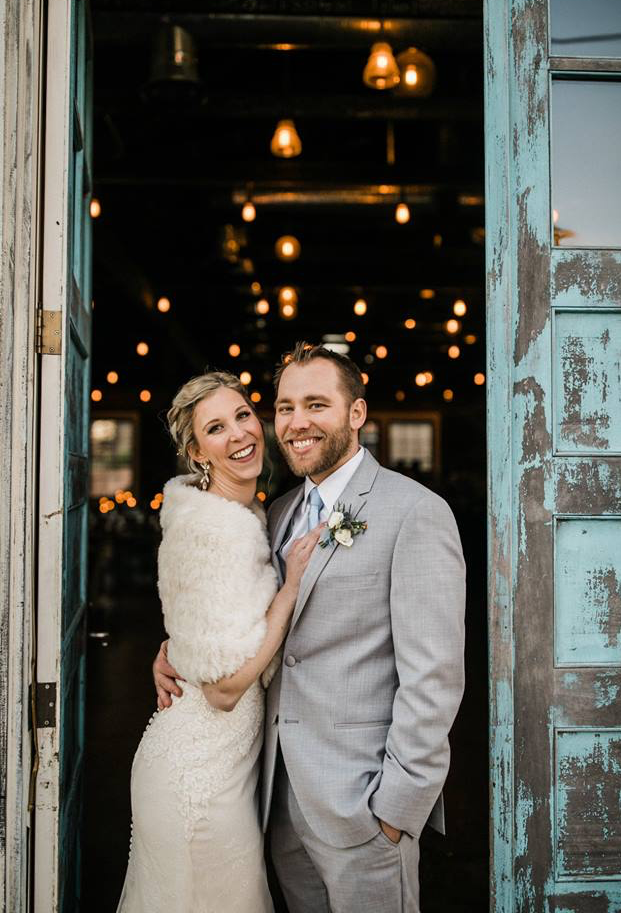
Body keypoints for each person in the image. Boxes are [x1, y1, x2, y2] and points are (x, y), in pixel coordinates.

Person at [155, 342, 466, 913]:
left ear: (356, 414)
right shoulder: (274, 513)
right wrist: (175, 646)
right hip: (278, 803)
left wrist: (395, 810)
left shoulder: (416, 512)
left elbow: (435, 678)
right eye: (285, 406)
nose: (297, 422)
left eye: (316, 404)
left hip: (364, 809)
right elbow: (239, 613)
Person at [118, 371, 323, 913]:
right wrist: (291, 590)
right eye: (215, 428)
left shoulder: (247, 513)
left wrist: (171, 648)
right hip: (196, 781)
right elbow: (225, 689)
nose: (238, 433)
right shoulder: (210, 528)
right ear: (196, 452)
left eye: (242, 415)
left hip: (226, 768)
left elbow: (202, 614)